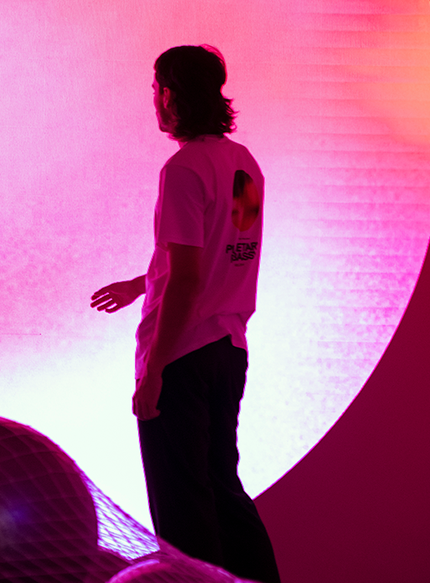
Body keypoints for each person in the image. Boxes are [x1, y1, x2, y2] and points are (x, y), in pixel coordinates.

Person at [91, 46, 280, 583]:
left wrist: (154, 370)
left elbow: (193, 276)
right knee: (224, 489)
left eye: (156, 89)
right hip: (228, 351)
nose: (154, 100)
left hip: (185, 358)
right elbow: (227, 248)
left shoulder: (182, 169)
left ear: (170, 95)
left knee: (183, 510)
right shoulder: (243, 163)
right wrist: (141, 282)